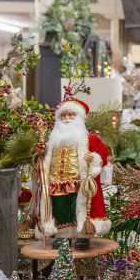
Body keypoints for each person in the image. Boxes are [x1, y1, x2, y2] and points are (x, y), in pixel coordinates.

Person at [39, 96, 111, 237]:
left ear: (79, 117)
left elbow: (103, 155)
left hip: (79, 182)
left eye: (71, 115)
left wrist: (94, 158)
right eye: (63, 115)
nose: (66, 118)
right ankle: (62, 237)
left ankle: (82, 236)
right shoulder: (52, 141)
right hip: (56, 183)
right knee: (60, 209)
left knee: (79, 209)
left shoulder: (90, 139)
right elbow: (43, 157)